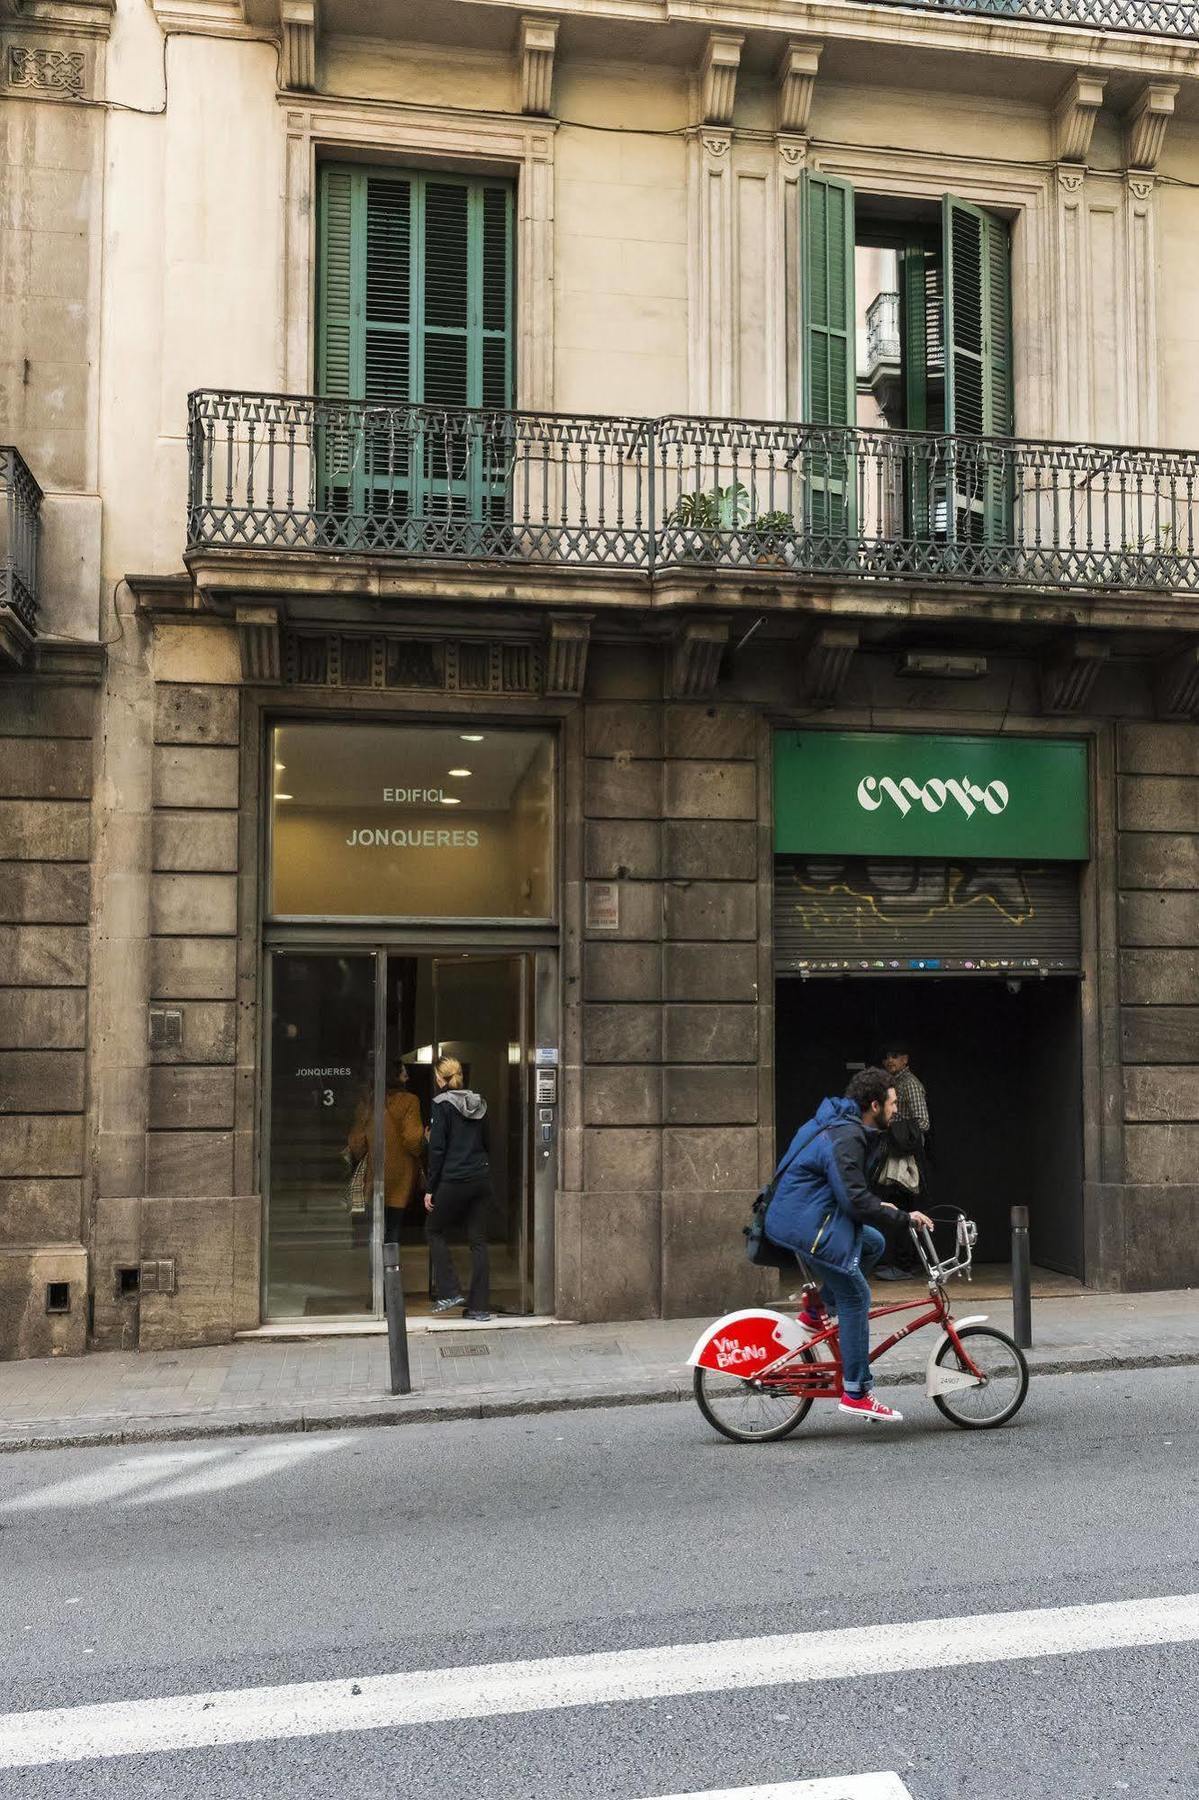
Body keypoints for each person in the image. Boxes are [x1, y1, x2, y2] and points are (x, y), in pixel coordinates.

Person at [764, 1067, 933, 1423]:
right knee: (857, 1297)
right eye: (892, 1103)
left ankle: (816, 1309)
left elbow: (846, 1189)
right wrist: (902, 1217)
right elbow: (854, 1201)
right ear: (874, 1104)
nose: (896, 1110)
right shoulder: (847, 1136)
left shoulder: (843, 1125)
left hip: (810, 1214)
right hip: (807, 1225)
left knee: (872, 1242)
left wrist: (885, 1209)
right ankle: (857, 1391)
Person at [424, 1055, 493, 1321]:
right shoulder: (478, 1102)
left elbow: (438, 1150)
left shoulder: (441, 1105)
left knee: (433, 1229)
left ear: (440, 1078)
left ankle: (450, 1290)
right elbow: (488, 1142)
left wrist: (431, 1188)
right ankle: (479, 1308)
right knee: (478, 1242)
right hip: (480, 1179)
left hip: (454, 1179)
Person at [346, 1064, 425, 1245]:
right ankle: (390, 1268)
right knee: (393, 1229)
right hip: (400, 1172)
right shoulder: (410, 1101)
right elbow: (413, 1139)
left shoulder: (369, 1102)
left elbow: (357, 1140)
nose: (408, 1076)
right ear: (395, 1076)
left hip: (374, 1170)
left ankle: (376, 1268)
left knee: (375, 1227)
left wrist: (363, 1155)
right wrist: (422, 1145)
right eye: (404, 1073)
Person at [873, 1041, 932, 1281]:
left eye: (895, 1056)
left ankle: (906, 1265)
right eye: (887, 1055)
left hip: (905, 1160)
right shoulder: (894, 1083)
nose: (890, 1060)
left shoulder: (910, 1085)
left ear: (906, 1059)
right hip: (894, 1156)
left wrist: (898, 1132)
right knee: (896, 1208)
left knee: (903, 1209)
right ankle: (899, 1263)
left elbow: (923, 1123)